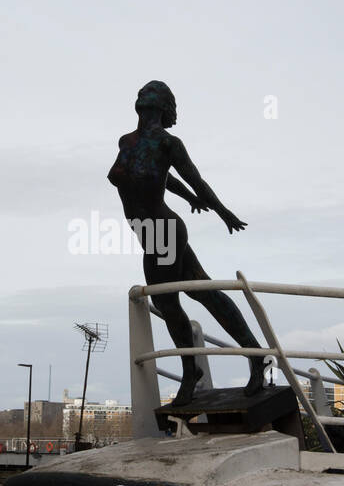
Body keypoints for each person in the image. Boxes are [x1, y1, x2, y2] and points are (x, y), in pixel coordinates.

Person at [108, 80, 266, 406]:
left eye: (149, 96)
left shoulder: (169, 143)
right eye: (141, 95)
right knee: (201, 291)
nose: (143, 99)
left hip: (164, 231)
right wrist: (188, 196)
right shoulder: (127, 142)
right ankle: (254, 353)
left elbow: (196, 178)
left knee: (169, 303)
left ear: (161, 107)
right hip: (149, 234)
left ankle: (194, 371)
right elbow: (159, 178)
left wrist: (222, 212)